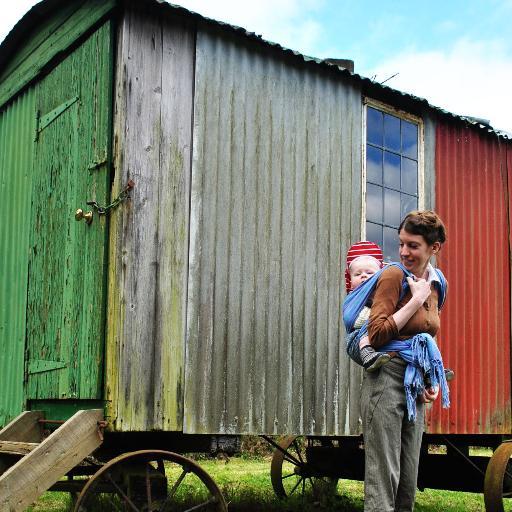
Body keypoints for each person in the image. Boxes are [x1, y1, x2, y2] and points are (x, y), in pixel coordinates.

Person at [361, 210, 450, 512]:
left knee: (408, 479)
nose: (403, 251)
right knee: (384, 479)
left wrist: (431, 380)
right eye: (401, 243)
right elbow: (375, 335)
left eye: (413, 245)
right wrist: (414, 300)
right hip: (386, 376)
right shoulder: (393, 276)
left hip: (415, 384)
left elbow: (427, 334)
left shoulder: (438, 283)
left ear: (434, 248)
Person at [344, 241, 391, 371]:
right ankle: (366, 350)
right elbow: (355, 321)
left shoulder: (385, 294)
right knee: (376, 317)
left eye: (369, 273)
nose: (364, 275)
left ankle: (428, 367)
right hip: (357, 342)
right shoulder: (354, 299)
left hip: (381, 340)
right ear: (350, 281)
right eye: (357, 274)